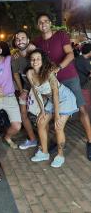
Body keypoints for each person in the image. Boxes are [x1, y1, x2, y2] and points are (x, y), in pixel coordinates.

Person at [34, 13, 91, 160]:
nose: (43, 23)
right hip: (53, 83)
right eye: (40, 22)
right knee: (53, 111)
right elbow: (27, 50)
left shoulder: (60, 35)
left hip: (69, 77)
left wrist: (58, 68)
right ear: (38, 25)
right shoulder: (38, 41)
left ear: (50, 23)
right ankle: (55, 142)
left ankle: (90, 141)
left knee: (81, 109)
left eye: (46, 21)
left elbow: (70, 54)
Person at [27, 49, 78, 167]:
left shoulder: (49, 73)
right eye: (32, 59)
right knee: (41, 123)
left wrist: (57, 115)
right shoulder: (30, 73)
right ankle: (44, 152)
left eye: (38, 59)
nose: (35, 61)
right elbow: (36, 92)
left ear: (42, 60)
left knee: (58, 126)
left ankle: (60, 155)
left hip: (64, 98)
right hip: (51, 100)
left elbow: (56, 94)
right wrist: (42, 111)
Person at [11, 30, 37, 149]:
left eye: (23, 38)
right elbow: (16, 74)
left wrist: (27, 91)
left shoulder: (35, 54)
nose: (20, 40)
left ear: (28, 40)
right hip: (26, 89)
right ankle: (32, 139)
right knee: (23, 113)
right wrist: (22, 90)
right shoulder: (15, 57)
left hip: (38, 88)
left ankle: (45, 142)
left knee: (42, 115)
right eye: (17, 39)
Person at [75, 43, 91, 112]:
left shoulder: (79, 58)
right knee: (85, 103)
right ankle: (84, 116)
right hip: (83, 85)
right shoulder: (84, 61)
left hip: (78, 83)